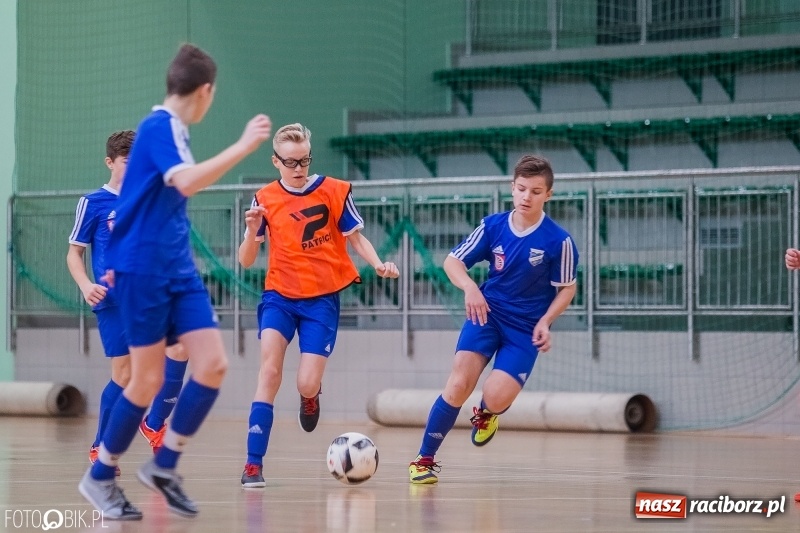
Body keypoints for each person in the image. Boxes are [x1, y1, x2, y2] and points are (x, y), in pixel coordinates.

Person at [77, 43, 272, 520]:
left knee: (213, 363)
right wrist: (245, 145)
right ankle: (100, 475)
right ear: (205, 92)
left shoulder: (176, 130)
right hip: (145, 271)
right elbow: (184, 182)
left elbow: (145, 201)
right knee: (144, 380)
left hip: (176, 268)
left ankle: (164, 465)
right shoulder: (158, 125)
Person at [237, 123, 399, 488]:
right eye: (291, 162)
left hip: (321, 299)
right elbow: (246, 261)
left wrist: (378, 264)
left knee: (306, 382)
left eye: (304, 161)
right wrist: (251, 231)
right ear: (275, 160)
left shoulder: (334, 190)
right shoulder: (263, 198)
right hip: (279, 295)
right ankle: (252, 464)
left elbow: (355, 238)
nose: (298, 168)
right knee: (269, 373)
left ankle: (310, 397)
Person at [407, 154, 579, 484]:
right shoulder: (493, 226)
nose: (527, 197)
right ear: (512, 189)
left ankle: (487, 414)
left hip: (525, 329)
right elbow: (452, 262)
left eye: (536, 191)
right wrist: (470, 287)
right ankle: (424, 460)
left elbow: (567, 289)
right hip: (486, 314)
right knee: (458, 383)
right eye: (521, 189)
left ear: (549, 195)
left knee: (498, 394)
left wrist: (546, 321)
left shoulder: (560, 241)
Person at [67, 131, 189, 476]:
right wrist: (85, 283)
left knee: (180, 349)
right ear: (110, 162)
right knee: (124, 374)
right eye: (126, 162)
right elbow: (74, 252)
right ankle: (100, 447)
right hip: (113, 300)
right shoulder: (93, 203)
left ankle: (153, 423)